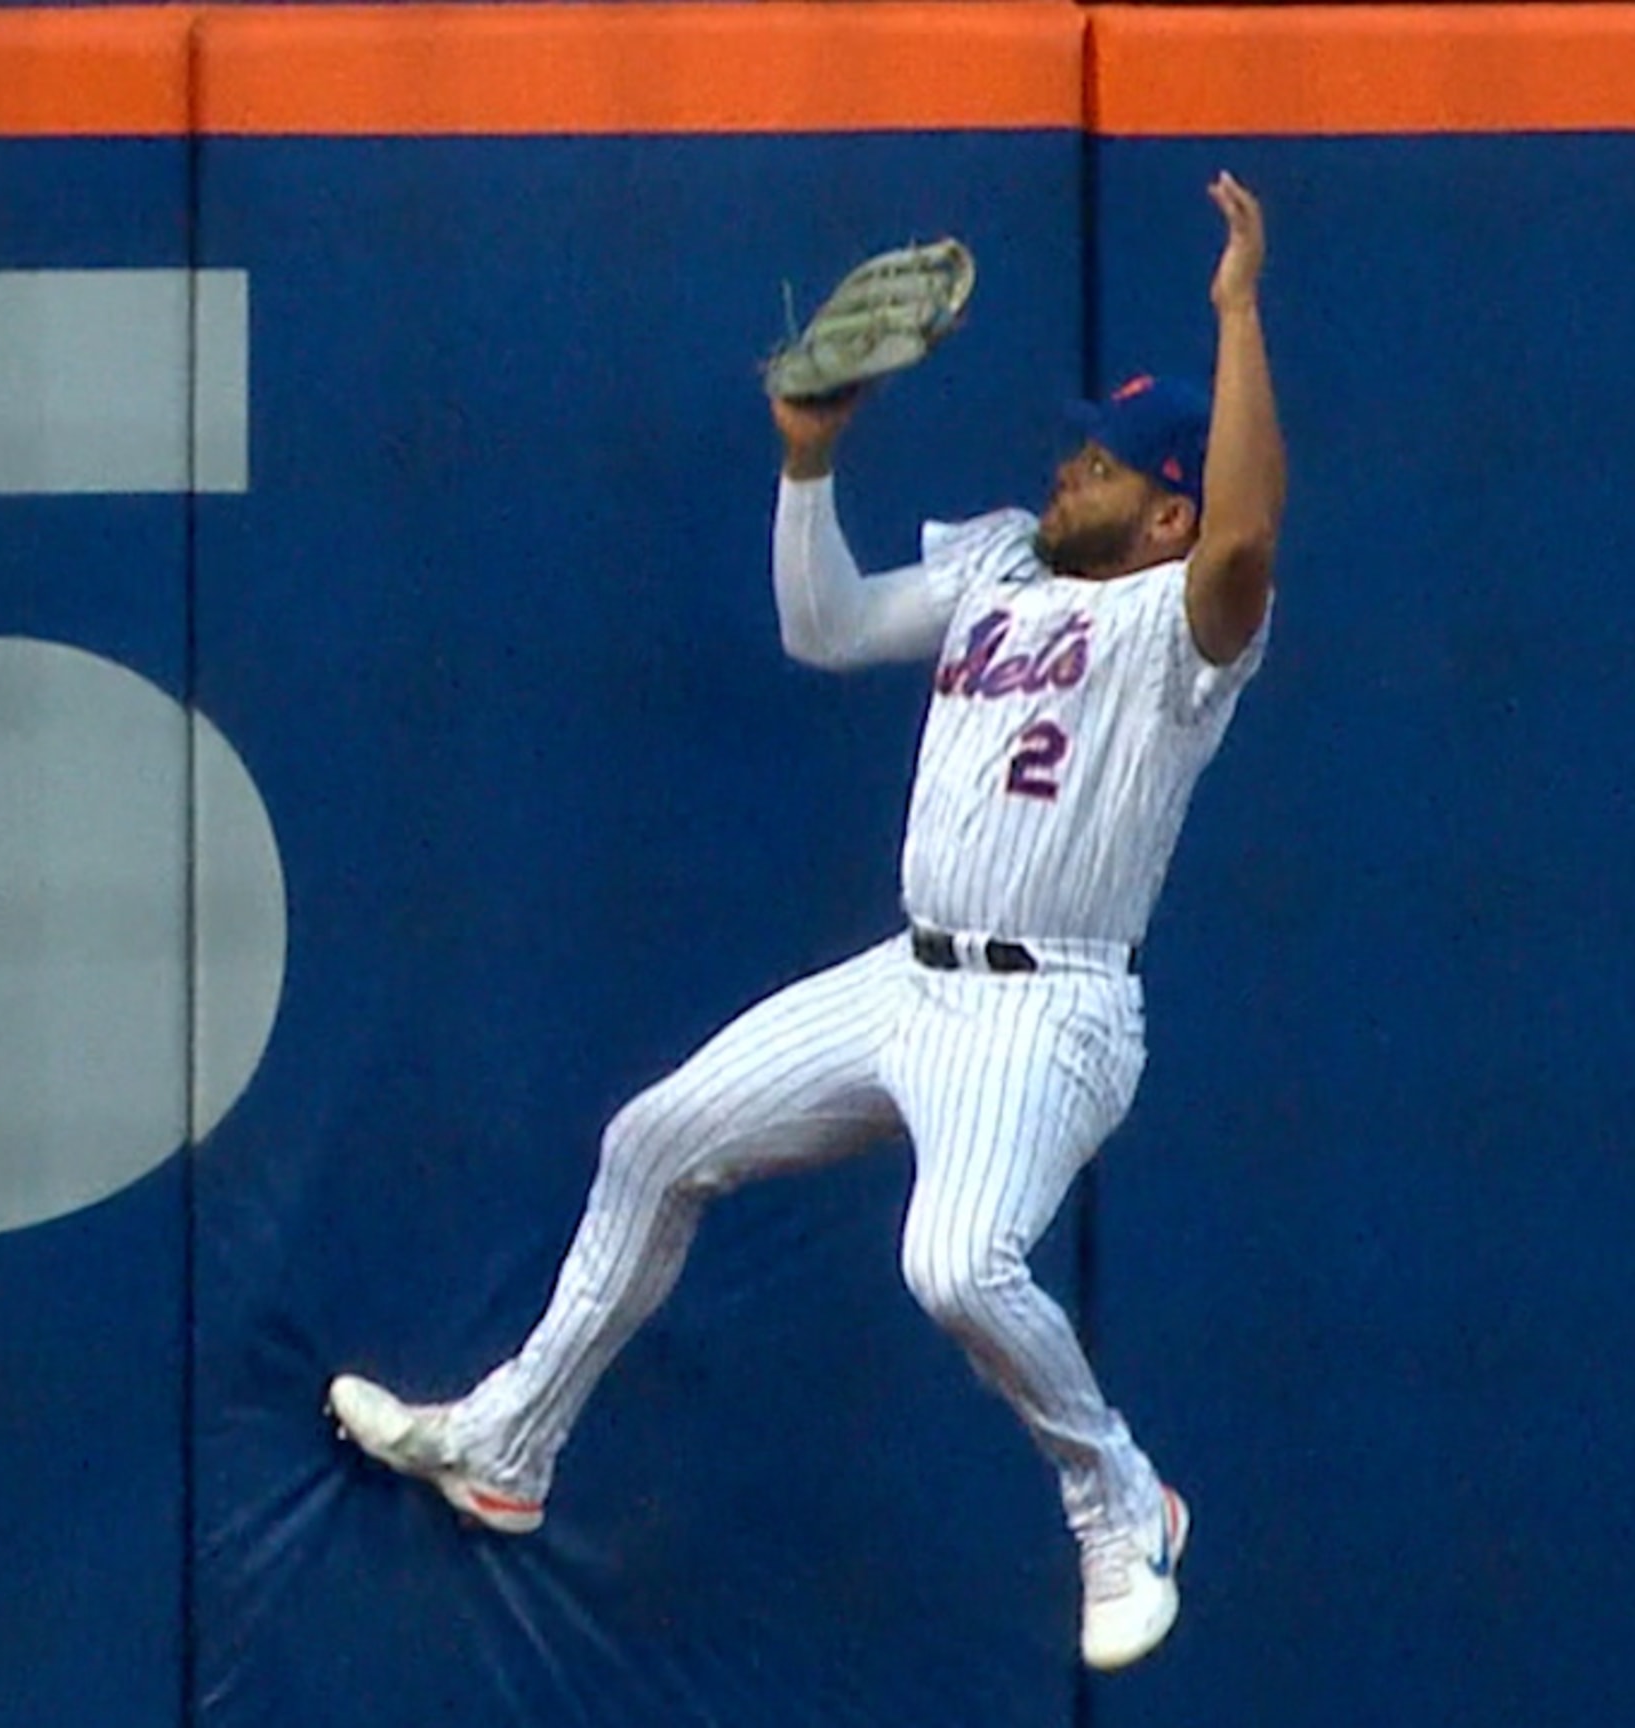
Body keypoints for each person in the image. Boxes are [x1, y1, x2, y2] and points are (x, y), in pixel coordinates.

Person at [329, 172, 1282, 1673]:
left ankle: (1121, 1506)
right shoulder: (994, 567)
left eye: (1101, 461)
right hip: (909, 978)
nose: (1068, 466)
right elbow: (823, 625)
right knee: (654, 1139)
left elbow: (1240, 546)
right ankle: (511, 1446)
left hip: (1050, 1012)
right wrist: (806, 464)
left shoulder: (1181, 626)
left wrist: (1236, 319)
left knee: (955, 1266)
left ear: (1165, 509)